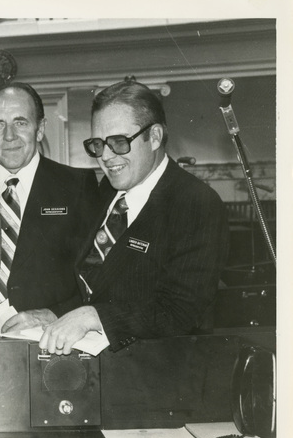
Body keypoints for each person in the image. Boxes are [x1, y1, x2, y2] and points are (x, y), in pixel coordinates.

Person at [35, 79, 229, 355]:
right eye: (98, 145)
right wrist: (53, 314)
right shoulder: (106, 191)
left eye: (119, 142)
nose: (106, 157)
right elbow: (96, 282)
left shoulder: (196, 203)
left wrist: (95, 316)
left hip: (158, 375)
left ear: (155, 137)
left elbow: (181, 312)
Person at [0, 82, 100, 333]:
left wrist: (55, 314)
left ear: (40, 129)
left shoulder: (77, 187)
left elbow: (99, 278)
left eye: (21, 122)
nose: (9, 136)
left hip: (46, 343)